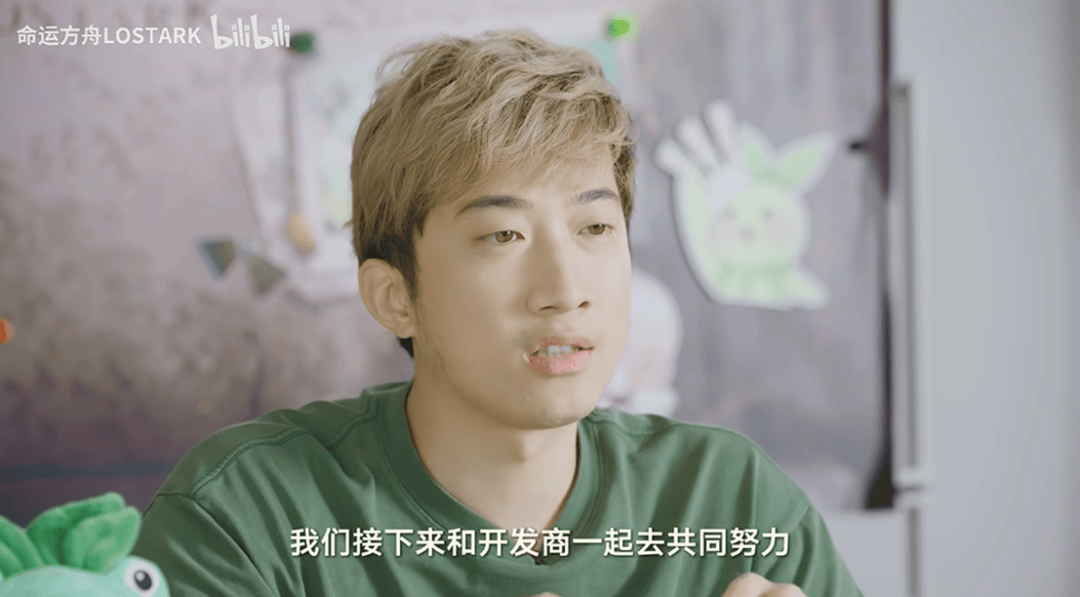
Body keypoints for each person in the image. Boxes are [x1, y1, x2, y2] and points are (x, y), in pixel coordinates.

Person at [131, 28, 864, 597]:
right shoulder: (246, 515)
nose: (565, 289)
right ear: (395, 296)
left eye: (595, 227)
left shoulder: (730, 504)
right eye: (503, 236)